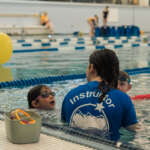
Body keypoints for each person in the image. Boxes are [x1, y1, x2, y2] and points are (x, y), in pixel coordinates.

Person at [61, 48, 140, 141]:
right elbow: (133, 133)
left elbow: (64, 128)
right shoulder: (123, 99)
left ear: (91, 68)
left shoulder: (70, 95)